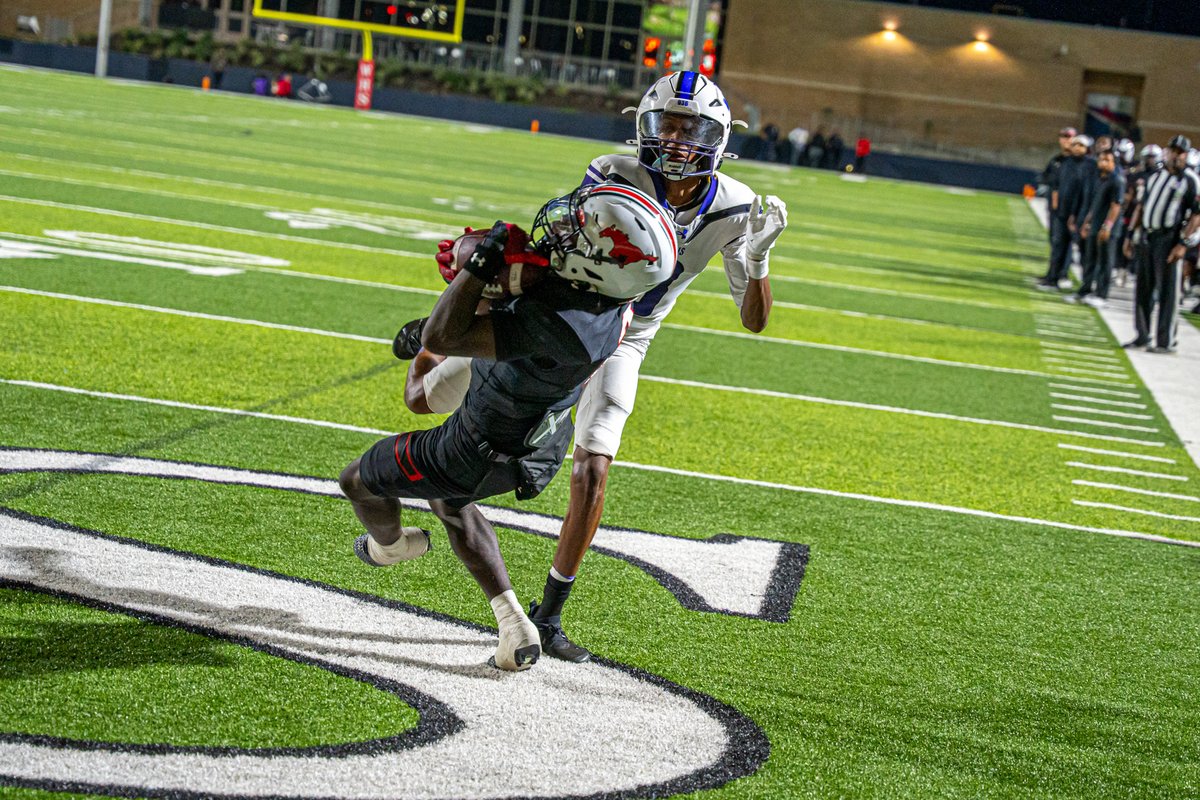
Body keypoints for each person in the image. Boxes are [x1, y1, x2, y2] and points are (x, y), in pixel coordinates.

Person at [392, 71, 787, 663]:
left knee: (594, 464)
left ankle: (548, 616)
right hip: (563, 319)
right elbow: (557, 252)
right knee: (421, 399)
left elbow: (754, 321)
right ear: (645, 127)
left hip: (627, 337)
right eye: (668, 125)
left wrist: (755, 260)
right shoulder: (614, 174)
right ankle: (436, 345)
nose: (678, 140)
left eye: (692, 128)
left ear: (719, 136)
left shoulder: (734, 207)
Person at [340, 185, 677, 671]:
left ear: (601, 261)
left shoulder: (554, 323)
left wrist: (477, 270)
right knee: (449, 501)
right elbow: (537, 304)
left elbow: (443, 334)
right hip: (536, 452)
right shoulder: (612, 305)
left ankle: (390, 548)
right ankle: (516, 626)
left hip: (471, 448)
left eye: (578, 232)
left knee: (357, 481)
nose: (562, 232)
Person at [1122, 135, 1200, 353]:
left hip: (1169, 238)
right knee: (1143, 289)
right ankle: (1142, 335)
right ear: (1166, 152)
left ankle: (1166, 341)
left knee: (1168, 291)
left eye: (1180, 152)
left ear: (1185, 155)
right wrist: (1131, 235)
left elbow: (1196, 215)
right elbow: (1142, 206)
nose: (1175, 155)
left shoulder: (1190, 180)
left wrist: (1183, 243)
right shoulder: (1155, 176)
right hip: (1148, 236)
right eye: (1172, 150)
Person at [1038, 134, 1094, 291]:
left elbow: (1086, 192)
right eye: (1075, 145)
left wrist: (1079, 215)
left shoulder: (1090, 166)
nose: (1077, 148)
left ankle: (1083, 285)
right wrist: (1056, 206)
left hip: (1079, 213)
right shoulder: (1065, 162)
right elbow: (1055, 184)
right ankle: (1053, 277)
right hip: (1062, 211)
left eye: (1081, 146)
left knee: (1082, 250)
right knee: (1058, 245)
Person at [1070, 148, 1125, 307]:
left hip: (1107, 229)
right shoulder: (1101, 179)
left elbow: (1116, 206)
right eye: (1101, 159)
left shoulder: (1117, 180)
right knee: (1090, 260)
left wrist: (1107, 226)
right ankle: (1085, 290)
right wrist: (1087, 223)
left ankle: (1102, 294)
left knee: (1105, 262)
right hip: (1095, 225)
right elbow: (1095, 205)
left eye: (1107, 160)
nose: (1103, 163)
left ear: (1114, 162)